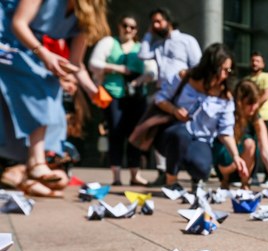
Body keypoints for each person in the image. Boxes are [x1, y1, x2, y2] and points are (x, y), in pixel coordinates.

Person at [0, 0, 109, 185]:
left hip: (29, 49)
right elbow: (18, 23)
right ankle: (36, 163)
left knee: (51, 93)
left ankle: (27, 168)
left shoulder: (84, 14)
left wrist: (93, 91)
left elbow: (75, 64)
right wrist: (43, 53)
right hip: (6, 38)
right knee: (41, 84)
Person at [152, 43, 247, 192]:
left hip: (200, 140)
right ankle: (171, 181)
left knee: (203, 169)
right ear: (210, 67)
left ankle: (197, 178)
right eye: (222, 70)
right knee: (181, 134)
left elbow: (225, 132)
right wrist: (175, 110)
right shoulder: (185, 78)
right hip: (172, 135)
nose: (225, 75)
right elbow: (159, 98)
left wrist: (236, 156)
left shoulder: (225, 96)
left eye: (229, 70)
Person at [89, 14, 157, 186]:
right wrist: (118, 68)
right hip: (113, 95)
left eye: (132, 27)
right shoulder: (109, 43)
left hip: (136, 96)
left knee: (135, 135)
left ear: (136, 31)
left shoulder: (141, 47)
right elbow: (94, 63)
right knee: (116, 134)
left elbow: (152, 72)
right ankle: (116, 176)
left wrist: (138, 81)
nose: (128, 29)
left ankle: (135, 175)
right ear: (119, 26)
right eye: (125, 25)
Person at [137, 7, 202, 186]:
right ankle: (164, 173)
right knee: (157, 132)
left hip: (184, 94)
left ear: (169, 21)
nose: (156, 25)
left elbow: (197, 66)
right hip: (163, 95)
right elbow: (142, 54)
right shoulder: (158, 45)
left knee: (186, 131)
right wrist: (149, 34)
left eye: (159, 21)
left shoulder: (187, 40)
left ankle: (195, 174)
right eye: (153, 23)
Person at [212, 80, 268, 192]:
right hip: (225, 162)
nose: (253, 108)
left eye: (255, 103)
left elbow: (266, 150)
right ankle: (225, 180)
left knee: (250, 143)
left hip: (246, 166)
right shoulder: (228, 113)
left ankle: (245, 183)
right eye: (249, 104)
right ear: (239, 102)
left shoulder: (256, 118)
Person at [244, 51, 268, 186]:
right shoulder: (246, 79)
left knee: (266, 147)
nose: (254, 63)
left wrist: (254, 107)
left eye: (257, 61)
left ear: (263, 64)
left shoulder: (267, 77)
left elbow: (267, 94)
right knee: (251, 147)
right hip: (249, 119)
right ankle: (252, 176)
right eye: (253, 60)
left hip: (264, 117)